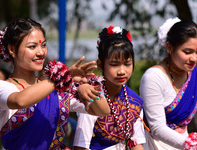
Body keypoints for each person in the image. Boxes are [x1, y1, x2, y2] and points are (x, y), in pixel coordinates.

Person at [0, 17, 110, 150]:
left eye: (43, 45)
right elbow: (20, 101)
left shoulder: (56, 89)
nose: (41, 52)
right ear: (12, 49)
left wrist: (86, 89)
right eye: (32, 46)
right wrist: (63, 76)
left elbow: (102, 110)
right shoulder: (3, 87)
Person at [73, 26, 146, 150]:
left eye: (127, 64)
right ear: (101, 64)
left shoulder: (135, 100)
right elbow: (80, 146)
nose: (122, 71)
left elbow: (136, 143)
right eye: (114, 64)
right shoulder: (91, 96)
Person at [139, 17, 197, 149]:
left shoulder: (194, 74)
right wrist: (190, 144)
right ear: (169, 48)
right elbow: (157, 128)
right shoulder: (153, 77)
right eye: (187, 52)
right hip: (156, 145)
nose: (194, 58)